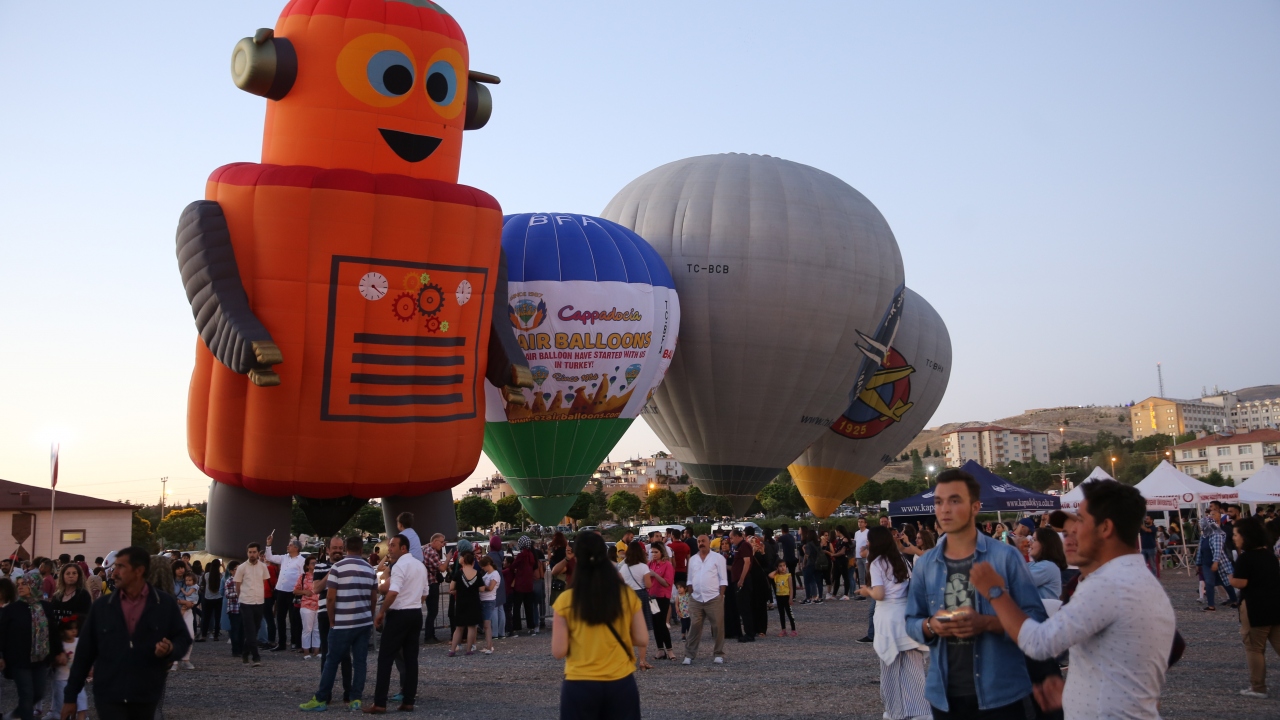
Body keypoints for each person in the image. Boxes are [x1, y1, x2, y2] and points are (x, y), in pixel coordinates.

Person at [971, 480, 1175, 720]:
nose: (1074, 530)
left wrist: (995, 591)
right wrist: (1076, 693)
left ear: (1105, 528)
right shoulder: (1136, 578)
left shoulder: (1108, 585)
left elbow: (1038, 643)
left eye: (1081, 519)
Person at [905, 469, 1058, 719]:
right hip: (944, 698)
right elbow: (911, 621)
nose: (944, 509)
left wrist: (987, 623)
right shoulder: (925, 564)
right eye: (938, 502)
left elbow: (1036, 621)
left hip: (1001, 694)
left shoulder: (1005, 557)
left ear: (975, 507)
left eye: (954, 501)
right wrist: (931, 625)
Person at [60, 547, 191, 720]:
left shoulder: (164, 604)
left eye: (121, 567)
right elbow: (84, 652)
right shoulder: (102, 607)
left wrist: (171, 649)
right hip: (108, 694)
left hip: (145, 693)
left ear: (139, 571)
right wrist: (70, 697)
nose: (114, 574)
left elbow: (183, 638)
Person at [550, 532, 645, 720]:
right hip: (620, 681)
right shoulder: (626, 595)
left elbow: (559, 651)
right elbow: (642, 638)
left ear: (576, 557)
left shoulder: (566, 600)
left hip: (580, 683)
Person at [300, 536, 378, 712]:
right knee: (360, 662)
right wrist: (370, 616)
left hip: (342, 622)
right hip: (363, 621)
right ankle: (355, 698)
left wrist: (332, 620)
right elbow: (374, 597)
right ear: (360, 549)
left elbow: (330, 597)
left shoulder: (337, 567)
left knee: (331, 660)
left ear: (346, 548)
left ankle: (321, 698)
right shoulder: (369, 569)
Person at [859, 526, 929, 720]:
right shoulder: (901, 560)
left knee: (890, 669)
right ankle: (920, 711)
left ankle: (896, 712)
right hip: (907, 616)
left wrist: (867, 591)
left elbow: (880, 594)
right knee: (914, 670)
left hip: (888, 618)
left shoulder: (876, 563)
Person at [370, 535, 426, 713]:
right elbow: (425, 593)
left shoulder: (400, 565)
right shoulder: (419, 565)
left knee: (385, 658)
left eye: (393, 545)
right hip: (415, 612)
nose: (390, 549)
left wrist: (381, 612)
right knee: (411, 659)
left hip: (399, 613)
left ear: (403, 548)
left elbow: (393, 592)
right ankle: (408, 700)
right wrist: (414, 603)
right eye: (390, 545)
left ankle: (379, 703)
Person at [1229, 516, 1280, 698]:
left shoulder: (1246, 558)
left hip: (1255, 608)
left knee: (1255, 648)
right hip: (1276, 606)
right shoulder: (1269, 555)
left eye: (1236, 534)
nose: (1234, 537)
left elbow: (1241, 582)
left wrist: (1230, 579)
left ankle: (1258, 687)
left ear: (1246, 536)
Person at [0, 575, 54, 720]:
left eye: (24, 583)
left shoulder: (46, 607)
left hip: (41, 659)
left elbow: (53, 632)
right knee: (26, 693)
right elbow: (2, 634)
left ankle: (13, 715)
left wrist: (58, 652)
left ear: (34, 585)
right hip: (19, 659)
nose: (20, 587)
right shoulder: (12, 609)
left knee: (38, 693)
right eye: (18, 584)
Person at [313, 537, 353, 704]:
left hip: (344, 613)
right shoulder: (321, 566)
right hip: (324, 613)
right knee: (327, 653)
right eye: (334, 548)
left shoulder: (348, 565)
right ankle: (326, 693)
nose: (338, 550)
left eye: (340, 547)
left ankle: (348, 692)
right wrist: (332, 572)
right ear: (328, 549)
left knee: (345, 656)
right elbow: (316, 588)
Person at [683, 535, 727, 665]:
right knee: (694, 626)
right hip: (696, 598)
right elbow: (690, 578)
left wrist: (721, 595)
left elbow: (723, 578)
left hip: (713, 598)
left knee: (717, 626)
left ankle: (718, 653)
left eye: (703, 541)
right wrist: (690, 593)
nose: (701, 543)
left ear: (709, 542)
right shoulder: (693, 559)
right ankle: (689, 654)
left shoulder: (718, 558)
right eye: (699, 541)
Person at [617, 541, 656, 669]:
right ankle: (642, 661)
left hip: (626, 596)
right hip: (640, 596)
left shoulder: (624, 567)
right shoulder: (644, 567)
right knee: (641, 629)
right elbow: (648, 585)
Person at [264, 533, 306, 651]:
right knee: (280, 618)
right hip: (281, 591)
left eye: (290, 545)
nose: (288, 546)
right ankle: (281, 643)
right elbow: (270, 557)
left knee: (294, 618)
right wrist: (268, 544)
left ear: (296, 548)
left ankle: (294, 641)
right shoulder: (284, 557)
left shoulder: (301, 560)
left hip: (293, 592)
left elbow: (303, 576)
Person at [233, 542, 271, 666]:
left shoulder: (263, 567)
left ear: (258, 553)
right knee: (250, 630)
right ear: (247, 553)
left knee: (255, 629)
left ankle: (245, 652)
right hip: (246, 602)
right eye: (250, 552)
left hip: (259, 601)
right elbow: (237, 585)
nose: (252, 554)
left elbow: (264, 582)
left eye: (254, 552)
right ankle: (256, 656)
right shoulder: (242, 567)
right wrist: (241, 597)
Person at [1200, 507, 1239, 611]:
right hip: (1207, 562)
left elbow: (1218, 549)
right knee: (1209, 583)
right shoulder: (1204, 535)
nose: (1210, 516)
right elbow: (1200, 549)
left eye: (1213, 514)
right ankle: (1211, 605)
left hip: (1220, 562)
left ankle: (1234, 600)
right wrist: (1198, 563)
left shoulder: (1219, 532)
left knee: (1225, 582)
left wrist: (1215, 562)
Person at [447, 550, 483, 658]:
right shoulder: (477, 573)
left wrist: (458, 590)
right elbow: (481, 589)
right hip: (473, 602)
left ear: (464, 562)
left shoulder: (459, 573)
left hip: (461, 602)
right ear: (473, 562)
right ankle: (469, 649)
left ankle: (453, 650)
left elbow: (451, 587)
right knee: (472, 627)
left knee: (459, 627)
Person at [646, 542, 675, 660]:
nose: (654, 554)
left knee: (662, 623)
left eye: (656, 552)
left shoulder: (667, 565)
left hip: (662, 596)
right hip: (651, 596)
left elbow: (667, 583)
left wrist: (655, 575)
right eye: (652, 552)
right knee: (655, 624)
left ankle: (670, 649)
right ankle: (660, 649)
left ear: (662, 552)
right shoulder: (649, 564)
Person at [726, 529, 756, 642]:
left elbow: (747, 562)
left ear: (738, 536)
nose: (731, 540)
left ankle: (749, 633)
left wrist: (742, 579)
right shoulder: (739, 547)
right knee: (741, 607)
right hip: (738, 579)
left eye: (732, 538)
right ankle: (748, 632)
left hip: (743, 581)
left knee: (745, 608)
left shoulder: (744, 546)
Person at [1027, 528, 1067, 601]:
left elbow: (1018, 581)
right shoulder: (1035, 564)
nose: (1030, 543)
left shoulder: (1048, 566)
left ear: (1045, 544)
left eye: (1034, 540)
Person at [511, 536, 539, 636]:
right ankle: (531, 627)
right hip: (529, 584)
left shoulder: (521, 555)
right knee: (529, 607)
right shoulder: (531, 555)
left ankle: (516, 628)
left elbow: (513, 565)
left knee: (517, 607)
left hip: (520, 584)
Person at [423, 534, 447, 644]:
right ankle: (429, 636)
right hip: (432, 583)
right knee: (433, 611)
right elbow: (442, 568)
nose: (443, 544)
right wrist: (448, 559)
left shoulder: (425, 549)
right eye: (442, 542)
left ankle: (430, 634)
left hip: (426, 583)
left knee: (430, 611)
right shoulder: (432, 553)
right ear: (436, 541)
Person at [174, 572, 199, 670]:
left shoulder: (189, 584)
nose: (180, 570)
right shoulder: (171, 582)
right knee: (174, 635)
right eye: (178, 568)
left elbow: (196, 597)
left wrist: (191, 603)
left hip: (187, 610)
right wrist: (184, 602)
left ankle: (186, 659)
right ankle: (174, 661)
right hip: (175, 609)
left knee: (190, 635)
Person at [478, 556, 501, 654]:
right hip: (484, 599)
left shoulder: (495, 574)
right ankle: (488, 645)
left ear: (487, 565)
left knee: (487, 624)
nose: (482, 568)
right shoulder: (488, 574)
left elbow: (491, 587)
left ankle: (489, 646)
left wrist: (481, 587)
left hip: (489, 600)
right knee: (485, 624)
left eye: (483, 566)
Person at [298, 556, 319, 659]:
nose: (315, 565)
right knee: (307, 629)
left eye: (316, 563)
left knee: (317, 629)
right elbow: (295, 590)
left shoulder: (319, 576)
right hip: (306, 605)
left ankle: (316, 650)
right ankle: (306, 651)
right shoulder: (303, 577)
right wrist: (304, 592)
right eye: (312, 563)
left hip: (319, 606)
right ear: (307, 566)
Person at [767, 560, 795, 636]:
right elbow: (770, 575)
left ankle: (793, 629)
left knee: (789, 614)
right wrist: (776, 571)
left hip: (786, 596)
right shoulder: (776, 576)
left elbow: (791, 588)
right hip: (779, 596)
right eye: (780, 566)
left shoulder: (788, 576)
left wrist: (790, 598)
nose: (782, 568)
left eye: (784, 566)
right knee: (781, 614)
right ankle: (783, 629)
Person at [199, 558, 223, 643]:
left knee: (206, 617)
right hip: (218, 599)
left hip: (208, 598)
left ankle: (204, 635)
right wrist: (223, 566)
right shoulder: (220, 576)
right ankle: (216, 635)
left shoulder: (206, 575)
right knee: (217, 617)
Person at [224, 560, 242, 658]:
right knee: (235, 630)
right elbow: (227, 595)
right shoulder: (229, 581)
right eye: (236, 569)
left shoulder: (244, 579)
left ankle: (242, 649)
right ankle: (235, 651)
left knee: (243, 630)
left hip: (244, 608)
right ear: (231, 571)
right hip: (233, 609)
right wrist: (239, 593)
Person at [853, 517, 870, 600]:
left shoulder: (868, 532)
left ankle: (871, 589)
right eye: (859, 522)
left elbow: (870, 543)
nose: (860, 523)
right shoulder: (856, 533)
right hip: (858, 556)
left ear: (865, 524)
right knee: (861, 575)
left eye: (862, 522)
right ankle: (862, 592)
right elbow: (856, 544)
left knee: (868, 574)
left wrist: (865, 547)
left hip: (866, 556)